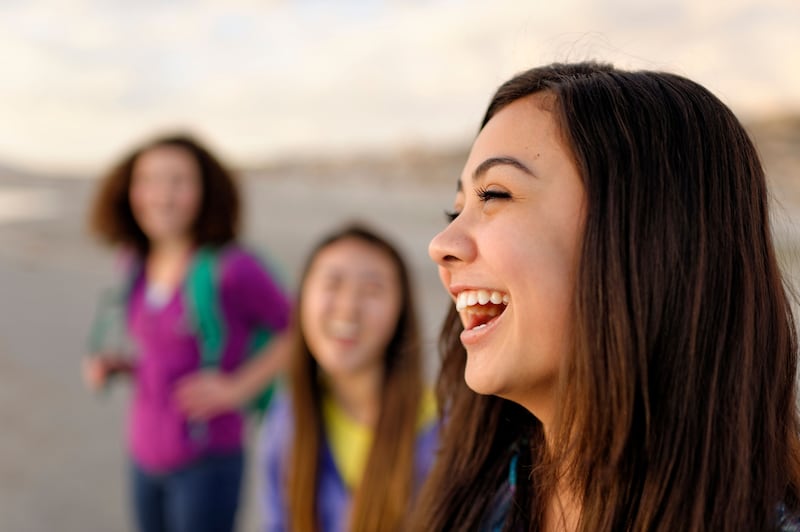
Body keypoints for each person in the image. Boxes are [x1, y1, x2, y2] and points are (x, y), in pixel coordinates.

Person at [415, 61, 800, 531]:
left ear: (648, 236)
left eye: (494, 195)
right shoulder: (475, 496)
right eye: (455, 210)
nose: (442, 244)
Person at [82, 133, 292, 532]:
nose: (162, 195)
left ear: (205, 191)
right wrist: (121, 367)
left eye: (178, 181)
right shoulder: (134, 262)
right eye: (149, 181)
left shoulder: (234, 268)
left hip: (207, 462)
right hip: (142, 454)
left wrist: (239, 388)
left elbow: (299, 328)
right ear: (130, 191)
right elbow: (160, 351)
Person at [259, 224, 439, 532]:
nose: (348, 308)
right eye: (332, 284)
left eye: (372, 290)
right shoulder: (287, 417)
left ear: (401, 312)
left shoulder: (441, 434)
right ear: (302, 300)